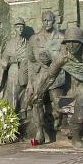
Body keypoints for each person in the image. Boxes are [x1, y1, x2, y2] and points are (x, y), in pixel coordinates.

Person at [25, 11, 64, 143]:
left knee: (59, 104)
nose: (46, 23)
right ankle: (39, 132)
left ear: (54, 20)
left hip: (56, 77)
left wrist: (51, 59)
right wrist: (31, 81)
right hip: (40, 76)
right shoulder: (34, 39)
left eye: (49, 20)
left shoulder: (61, 38)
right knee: (37, 102)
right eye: (44, 20)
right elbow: (30, 60)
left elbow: (66, 59)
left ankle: (61, 121)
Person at [0, 17, 28, 113]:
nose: (20, 29)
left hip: (25, 72)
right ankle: (11, 117)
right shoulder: (10, 43)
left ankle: (22, 115)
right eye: (18, 27)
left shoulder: (28, 43)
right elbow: (4, 62)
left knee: (23, 96)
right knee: (13, 94)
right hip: (13, 72)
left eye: (22, 27)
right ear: (15, 28)